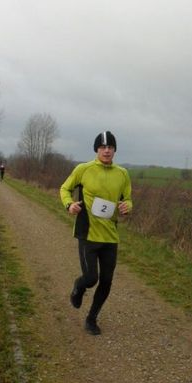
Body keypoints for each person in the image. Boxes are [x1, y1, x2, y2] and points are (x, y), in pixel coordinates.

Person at [60, 130, 132, 335]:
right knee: (91, 277)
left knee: (106, 281)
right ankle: (78, 286)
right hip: (88, 233)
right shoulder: (83, 169)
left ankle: (91, 319)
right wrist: (69, 204)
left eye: (110, 147)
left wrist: (127, 206)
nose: (106, 151)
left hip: (110, 236)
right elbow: (64, 189)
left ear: (115, 150)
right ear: (96, 150)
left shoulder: (122, 174)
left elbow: (127, 199)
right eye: (102, 147)